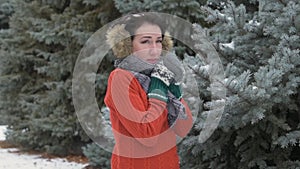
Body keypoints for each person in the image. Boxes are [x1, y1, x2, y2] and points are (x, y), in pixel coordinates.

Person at [104, 12, 193, 169]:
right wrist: (158, 90)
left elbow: (183, 128)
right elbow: (147, 135)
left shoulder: (161, 75)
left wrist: (175, 94)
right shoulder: (121, 78)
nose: (154, 50)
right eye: (145, 41)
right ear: (127, 44)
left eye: (158, 41)